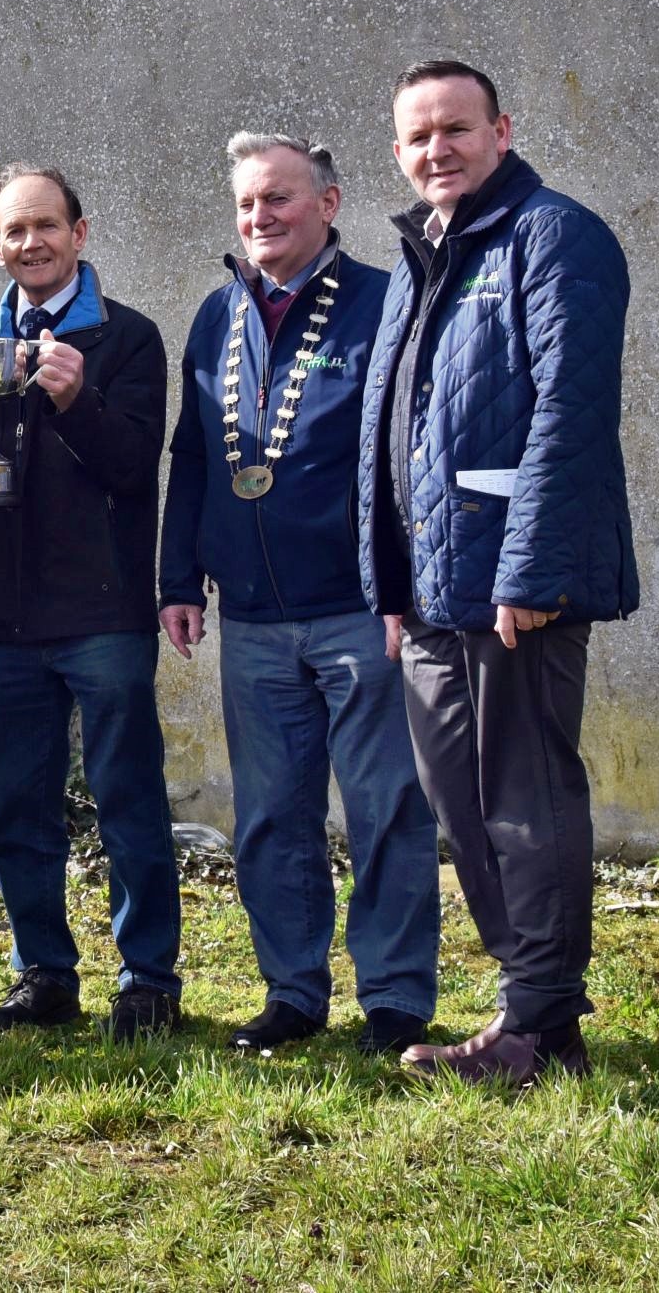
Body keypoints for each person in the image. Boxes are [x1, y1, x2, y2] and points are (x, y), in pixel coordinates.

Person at [358, 60, 638, 1084]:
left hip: (516, 584)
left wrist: (529, 568)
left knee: (525, 795)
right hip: (431, 596)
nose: (437, 149)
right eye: (417, 136)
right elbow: (388, 436)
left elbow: (569, 415)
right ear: (398, 152)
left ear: (501, 130)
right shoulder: (421, 255)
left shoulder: (556, 237)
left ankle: (536, 1025)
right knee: (459, 802)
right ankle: (533, 1004)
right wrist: (387, 584)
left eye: (455, 129)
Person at [160, 133, 440, 1057]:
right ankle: (292, 992)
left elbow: (409, 453)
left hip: (361, 609)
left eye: (279, 199)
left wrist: (405, 582)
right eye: (247, 205)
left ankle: (395, 997)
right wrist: (178, 577)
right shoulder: (214, 316)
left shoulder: (382, 300)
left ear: (328, 202)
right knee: (272, 816)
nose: (260, 218)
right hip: (252, 618)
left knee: (384, 807)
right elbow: (194, 456)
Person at [0, 165, 181, 1043]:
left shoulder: (129, 340)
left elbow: (133, 466)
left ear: (80, 233)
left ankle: (148, 979)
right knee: (18, 808)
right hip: (4, 620)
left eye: (46, 226)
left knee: (127, 798)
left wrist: (74, 395)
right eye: (13, 232)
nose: (32, 244)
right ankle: (43, 974)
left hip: (105, 615)